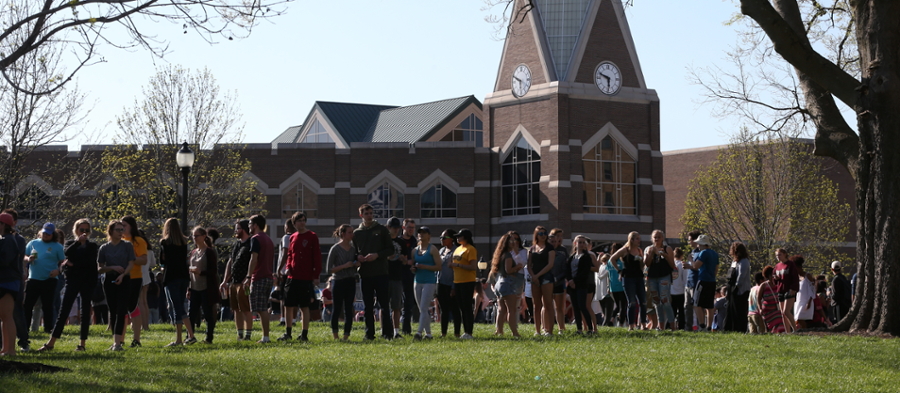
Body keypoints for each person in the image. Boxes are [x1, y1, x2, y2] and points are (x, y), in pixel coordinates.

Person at [39, 219, 99, 352]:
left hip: (87, 282)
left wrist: (74, 264)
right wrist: (78, 243)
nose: (84, 233)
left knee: (84, 312)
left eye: (87, 230)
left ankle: (82, 344)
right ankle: (51, 343)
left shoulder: (92, 246)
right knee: (63, 311)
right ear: (76, 230)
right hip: (72, 281)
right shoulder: (70, 243)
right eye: (81, 230)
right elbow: (67, 254)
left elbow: (89, 263)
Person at [352, 204, 395, 341]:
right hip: (365, 274)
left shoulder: (381, 229)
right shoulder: (357, 233)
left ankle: (387, 334)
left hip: (381, 273)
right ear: (361, 215)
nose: (369, 216)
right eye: (366, 213)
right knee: (368, 306)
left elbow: (390, 249)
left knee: (384, 304)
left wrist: (377, 255)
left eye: (371, 213)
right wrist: (357, 257)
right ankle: (369, 334)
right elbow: (353, 252)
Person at [278, 212, 321, 342]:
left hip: (306, 277)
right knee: (288, 305)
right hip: (292, 277)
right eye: (299, 221)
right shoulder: (292, 237)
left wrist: (316, 275)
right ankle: (288, 332)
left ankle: (304, 334)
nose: (302, 223)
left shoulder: (312, 236)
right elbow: (290, 255)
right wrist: (288, 268)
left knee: (304, 306)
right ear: (294, 223)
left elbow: (317, 257)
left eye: (303, 220)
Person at [97, 220, 137, 350]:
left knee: (121, 310)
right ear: (110, 231)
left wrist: (123, 274)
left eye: (122, 229)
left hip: (124, 280)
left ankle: (118, 343)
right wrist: (112, 267)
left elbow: (131, 263)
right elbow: (100, 268)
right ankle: (115, 342)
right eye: (118, 230)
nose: (121, 232)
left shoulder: (127, 245)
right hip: (109, 280)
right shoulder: (104, 248)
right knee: (113, 311)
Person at [23, 223, 66, 335]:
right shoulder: (33, 243)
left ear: (53, 234)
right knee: (28, 305)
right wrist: (28, 259)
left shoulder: (57, 246)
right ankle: (25, 329)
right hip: (33, 279)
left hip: (50, 279)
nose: (45, 235)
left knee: (48, 306)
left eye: (48, 234)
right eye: (44, 233)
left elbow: (63, 262)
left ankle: (48, 329)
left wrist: (58, 270)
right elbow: (24, 255)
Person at [158, 218, 195, 346]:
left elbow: (162, 261)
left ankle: (179, 339)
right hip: (183, 276)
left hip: (171, 276)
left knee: (175, 307)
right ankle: (191, 334)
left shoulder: (165, 242)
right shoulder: (183, 242)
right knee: (180, 306)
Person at [219, 219, 253, 341]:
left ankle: (248, 335)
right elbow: (231, 261)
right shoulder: (237, 244)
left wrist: (247, 278)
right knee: (236, 309)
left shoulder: (250, 243)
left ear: (243, 229)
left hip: (244, 282)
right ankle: (240, 334)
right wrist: (225, 280)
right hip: (234, 281)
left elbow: (253, 263)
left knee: (245, 309)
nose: (235, 231)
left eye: (237, 228)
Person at [489, 231, 525, 337]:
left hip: (499, 284)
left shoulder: (500, 255)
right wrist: (517, 267)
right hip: (508, 284)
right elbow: (508, 270)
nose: (514, 242)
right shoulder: (508, 255)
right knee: (512, 311)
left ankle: (499, 331)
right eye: (511, 240)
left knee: (501, 310)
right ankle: (515, 333)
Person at [607, 232, 646, 330]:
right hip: (628, 278)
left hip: (639, 277)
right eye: (637, 238)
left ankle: (643, 325)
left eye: (639, 238)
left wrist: (642, 261)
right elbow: (612, 259)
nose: (639, 240)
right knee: (631, 302)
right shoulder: (625, 250)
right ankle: (631, 325)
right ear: (631, 240)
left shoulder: (639, 250)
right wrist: (619, 271)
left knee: (643, 302)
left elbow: (642, 266)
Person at [325, 224, 358, 340]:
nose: (352, 234)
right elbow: (328, 269)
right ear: (343, 234)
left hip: (350, 280)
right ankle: (335, 335)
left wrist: (356, 264)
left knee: (349, 309)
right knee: (337, 308)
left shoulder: (354, 249)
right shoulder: (335, 248)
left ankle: (346, 336)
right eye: (350, 232)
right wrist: (344, 266)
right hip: (338, 281)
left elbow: (354, 264)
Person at [188, 226, 221, 344]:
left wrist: (200, 272)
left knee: (207, 313)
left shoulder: (209, 252)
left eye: (197, 236)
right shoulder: (193, 252)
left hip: (206, 288)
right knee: (191, 313)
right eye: (193, 236)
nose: (194, 238)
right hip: (194, 287)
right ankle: (190, 336)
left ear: (203, 237)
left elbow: (213, 271)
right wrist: (189, 288)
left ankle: (209, 338)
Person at [246, 214, 275, 343]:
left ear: (256, 225)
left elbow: (253, 259)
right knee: (262, 307)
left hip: (259, 276)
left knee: (261, 308)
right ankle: (265, 336)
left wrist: (248, 276)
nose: (249, 226)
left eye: (250, 224)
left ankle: (266, 337)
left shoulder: (256, 239)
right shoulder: (268, 239)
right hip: (269, 277)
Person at [120, 216, 148, 347]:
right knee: (121, 308)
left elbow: (143, 260)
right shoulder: (119, 241)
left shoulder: (138, 241)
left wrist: (130, 258)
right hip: (121, 277)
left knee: (132, 306)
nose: (122, 228)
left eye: (124, 225)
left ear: (131, 226)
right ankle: (120, 339)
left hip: (134, 278)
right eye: (120, 225)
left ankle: (136, 339)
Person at [412, 226, 441, 340]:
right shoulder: (415, 250)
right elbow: (412, 264)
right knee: (422, 309)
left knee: (424, 307)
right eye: (419, 233)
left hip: (429, 281)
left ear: (429, 236)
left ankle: (418, 333)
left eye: (424, 233)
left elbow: (438, 267)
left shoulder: (432, 249)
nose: (421, 235)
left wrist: (425, 266)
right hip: (417, 281)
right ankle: (428, 334)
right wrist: (413, 268)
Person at [526, 226, 555, 336]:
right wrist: (533, 276)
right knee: (536, 305)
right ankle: (537, 331)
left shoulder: (550, 248)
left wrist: (537, 275)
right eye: (540, 233)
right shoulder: (532, 249)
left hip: (546, 277)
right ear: (536, 235)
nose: (543, 235)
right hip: (534, 279)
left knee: (548, 304)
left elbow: (550, 264)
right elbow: (529, 265)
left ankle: (549, 331)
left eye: (545, 233)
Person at [644, 230, 676, 330]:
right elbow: (647, 264)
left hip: (664, 276)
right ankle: (660, 326)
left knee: (665, 300)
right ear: (652, 239)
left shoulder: (668, 248)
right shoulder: (648, 249)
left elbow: (672, 265)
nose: (657, 239)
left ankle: (672, 326)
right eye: (655, 237)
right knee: (656, 301)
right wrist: (651, 253)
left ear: (663, 238)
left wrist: (666, 256)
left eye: (659, 237)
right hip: (652, 277)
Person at [567, 235, 598, 334]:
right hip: (572, 285)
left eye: (583, 242)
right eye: (579, 242)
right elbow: (568, 270)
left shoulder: (586, 257)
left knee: (583, 306)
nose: (581, 244)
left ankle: (590, 328)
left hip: (582, 285)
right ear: (575, 244)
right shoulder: (572, 257)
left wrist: (574, 281)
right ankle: (579, 329)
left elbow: (584, 272)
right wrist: (570, 280)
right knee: (575, 307)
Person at [0, 213, 21, 356]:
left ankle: (11, 350)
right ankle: (5, 349)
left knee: (7, 316)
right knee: (3, 316)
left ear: (3, 225)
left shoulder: (8, 240)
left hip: (8, 282)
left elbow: (4, 260)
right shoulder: (4, 239)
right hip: (4, 281)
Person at [451, 228, 478, 339]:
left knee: (467, 307)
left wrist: (458, 265)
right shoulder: (457, 249)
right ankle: (465, 331)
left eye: (459, 236)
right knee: (461, 307)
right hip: (457, 281)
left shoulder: (470, 249)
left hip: (468, 281)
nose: (457, 238)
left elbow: (473, 266)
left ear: (466, 237)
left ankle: (469, 332)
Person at [690, 234, 718, 332]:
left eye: (698, 243)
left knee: (696, 303)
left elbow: (696, 266)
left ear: (702, 244)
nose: (697, 245)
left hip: (702, 281)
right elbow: (716, 270)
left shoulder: (703, 253)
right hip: (712, 281)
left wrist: (690, 261)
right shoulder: (715, 253)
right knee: (709, 305)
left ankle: (702, 326)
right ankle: (709, 327)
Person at [385, 217, 406, 339]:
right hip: (384, 276)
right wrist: (387, 257)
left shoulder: (401, 242)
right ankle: (384, 330)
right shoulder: (383, 241)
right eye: (394, 228)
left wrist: (403, 259)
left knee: (397, 306)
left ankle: (396, 332)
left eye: (398, 228)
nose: (396, 230)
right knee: (384, 306)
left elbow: (406, 260)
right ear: (388, 227)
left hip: (397, 276)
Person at [436, 229, 459, 338]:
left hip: (452, 284)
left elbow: (456, 270)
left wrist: (454, 287)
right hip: (441, 283)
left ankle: (457, 333)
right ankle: (443, 333)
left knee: (454, 309)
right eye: (441, 237)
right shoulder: (441, 251)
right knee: (443, 310)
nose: (442, 239)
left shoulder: (457, 251)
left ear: (452, 239)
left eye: (444, 238)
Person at [725, 242, 751, 332]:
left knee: (740, 309)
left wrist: (737, 287)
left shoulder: (744, 261)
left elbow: (741, 275)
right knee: (731, 309)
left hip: (741, 290)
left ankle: (741, 329)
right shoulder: (735, 261)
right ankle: (731, 328)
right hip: (732, 286)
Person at [399, 219, 419, 336]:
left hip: (411, 276)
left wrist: (410, 262)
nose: (411, 229)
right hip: (398, 275)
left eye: (413, 227)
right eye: (409, 227)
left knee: (408, 304)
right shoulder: (399, 241)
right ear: (403, 227)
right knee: (395, 304)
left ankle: (406, 330)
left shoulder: (415, 242)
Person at [772, 248, 799, 332]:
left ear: (784, 254)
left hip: (789, 290)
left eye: (779, 255)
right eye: (776, 255)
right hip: (780, 290)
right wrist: (775, 278)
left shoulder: (790, 264)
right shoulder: (777, 266)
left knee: (786, 311)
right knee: (783, 313)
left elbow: (795, 278)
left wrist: (793, 288)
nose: (778, 257)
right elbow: (774, 279)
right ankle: (788, 332)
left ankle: (795, 330)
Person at [548, 228, 568, 334]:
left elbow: (565, 267)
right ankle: (546, 327)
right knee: (547, 306)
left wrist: (559, 278)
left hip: (559, 282)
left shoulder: (562, 251)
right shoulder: (544, 252)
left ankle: (561, 327)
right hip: (547, 282)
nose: (559, 239)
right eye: (557, 237)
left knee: (559, 306)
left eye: (560, 237)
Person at [276, 220, 295, 326]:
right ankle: (293, 319)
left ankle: (283, 319)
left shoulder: (286, 237)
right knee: (293, 297)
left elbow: (285, 253)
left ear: (287, 226)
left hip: (285, 271)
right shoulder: (297, 237)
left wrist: (278, 269)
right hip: (294, 270)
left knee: (283, 296)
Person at [682, 230, 702, 331]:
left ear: (695, 240)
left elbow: (698, 267)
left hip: (696, 282)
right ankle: (687, 327)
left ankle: (699, 327)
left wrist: (689, 265)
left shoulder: (701, 252)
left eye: (690, 240)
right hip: (688, 283)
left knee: (697, 306)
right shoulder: (693, 252)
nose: (688, 242)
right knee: (687, 306)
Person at [758, 266, 785, 333]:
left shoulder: (778, 284)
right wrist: (760, 309)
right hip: (767, 311)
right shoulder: (764, 285)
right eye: (771, 275)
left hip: (778, 309)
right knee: (770, 327)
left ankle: (779, 335)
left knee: (780, 323)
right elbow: (758, 298)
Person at [792, 255, 816, 329]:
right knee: (797, 319)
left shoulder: (807, 276)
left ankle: (805, 331)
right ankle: (802, 331)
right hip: (799, 301)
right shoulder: (797, 278)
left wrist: (809, 301)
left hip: (806, 301)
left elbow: (813, 290)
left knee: (800, 318)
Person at [670, 247, 688, 330]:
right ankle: (681, 326)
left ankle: (670, 326)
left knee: (672, 310)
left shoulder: (670, 264)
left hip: (671, 291)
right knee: (681, 310)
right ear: (681, 255)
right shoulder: (682, 265)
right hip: (680, 291)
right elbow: (685, 279)